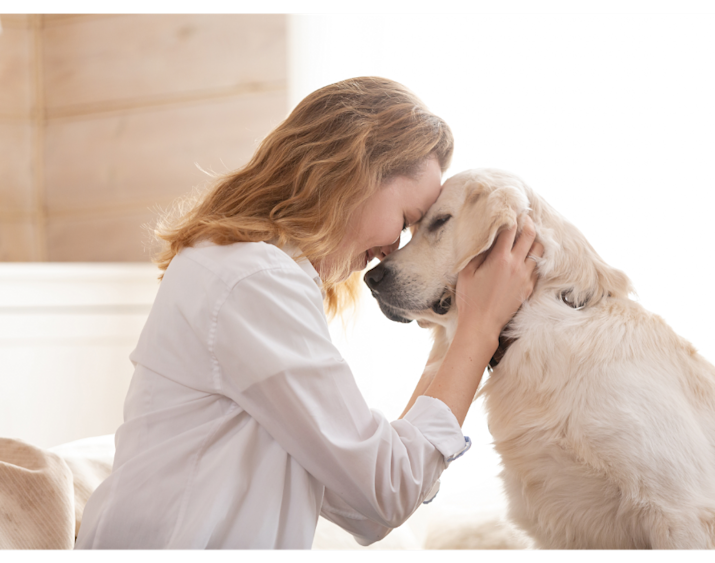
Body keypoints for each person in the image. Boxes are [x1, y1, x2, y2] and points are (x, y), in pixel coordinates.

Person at [75, 77, 541, 550]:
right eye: (404, 221)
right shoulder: (252, 279)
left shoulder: (247, 270)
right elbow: (385, 492)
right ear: (354, 173)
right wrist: (478, 332)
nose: (391, 251)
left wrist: (458, 328)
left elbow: (360, 499)